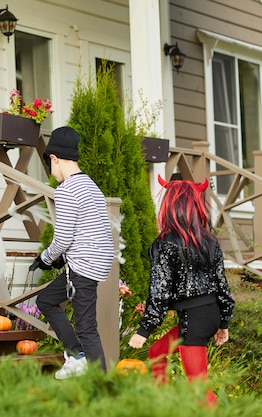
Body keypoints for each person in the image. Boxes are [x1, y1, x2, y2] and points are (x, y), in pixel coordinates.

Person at [128, 175, 234, 406]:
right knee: (157, 352)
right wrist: (223, 322)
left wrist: (144, 329)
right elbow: (222, 285)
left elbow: (160, 291)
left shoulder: (164, 244)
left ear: (170, 205)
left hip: (194, 321)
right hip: (209, 314)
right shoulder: (210, 242)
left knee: (199, 388)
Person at [30, 126, 114, 379]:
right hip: (94, 262)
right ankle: (76, 356)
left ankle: (103, 389)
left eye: (49, 165)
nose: (51, 173)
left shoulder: (67, 190)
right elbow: (88, 230)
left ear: (54, 158)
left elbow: (64, 238)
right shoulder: (90, 185)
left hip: (84, 266)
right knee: (46, 300)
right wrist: (63, 259)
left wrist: (45, 259)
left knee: (87, 327)